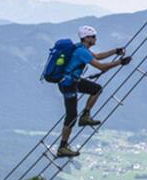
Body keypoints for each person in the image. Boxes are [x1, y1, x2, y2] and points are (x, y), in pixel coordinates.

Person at [56, 25, 131, 157]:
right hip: (69, 84)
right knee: (71, 116)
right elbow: (101, 66)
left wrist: (115, 51)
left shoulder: (81, 47)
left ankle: (85, 116)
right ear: (87, 38)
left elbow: (98, 56)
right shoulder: (82, 51)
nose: (96, 39)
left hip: (71, 81)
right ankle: (62, 147)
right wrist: (120, 62)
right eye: (93, 36)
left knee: (96, 89)